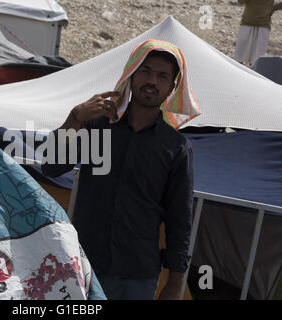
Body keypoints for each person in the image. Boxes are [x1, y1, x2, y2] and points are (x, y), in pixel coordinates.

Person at [41, 40, 200, 300]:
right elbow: (51, 166)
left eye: (162, 76)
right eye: (146, 71)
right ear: (132, 73)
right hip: (85, 267)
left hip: (138, 274)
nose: (152, 81)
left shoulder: (176, 147)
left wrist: (175, 283)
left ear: (172, 87)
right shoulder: (97, 127)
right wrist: (74, 119)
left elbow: (180, 220)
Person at [234, 0, 282, 65]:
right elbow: (241, 1)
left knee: (257, 59)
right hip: (247, 23)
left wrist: (272, 8)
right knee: (239, 56)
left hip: (263, 26)